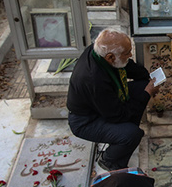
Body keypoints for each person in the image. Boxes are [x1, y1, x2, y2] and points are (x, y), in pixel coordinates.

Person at [67, 29, 158, 171]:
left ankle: (122, 140)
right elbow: (118, 115)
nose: (130, 55)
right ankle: (109, 160)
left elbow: (127, 65)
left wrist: (147, 79)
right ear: (110, 57)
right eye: (127, 53)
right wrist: (147, 93)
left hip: (102, 104)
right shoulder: (94, 80)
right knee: (132, 134)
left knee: (142, 87)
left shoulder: (99, 51)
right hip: (86, 121)